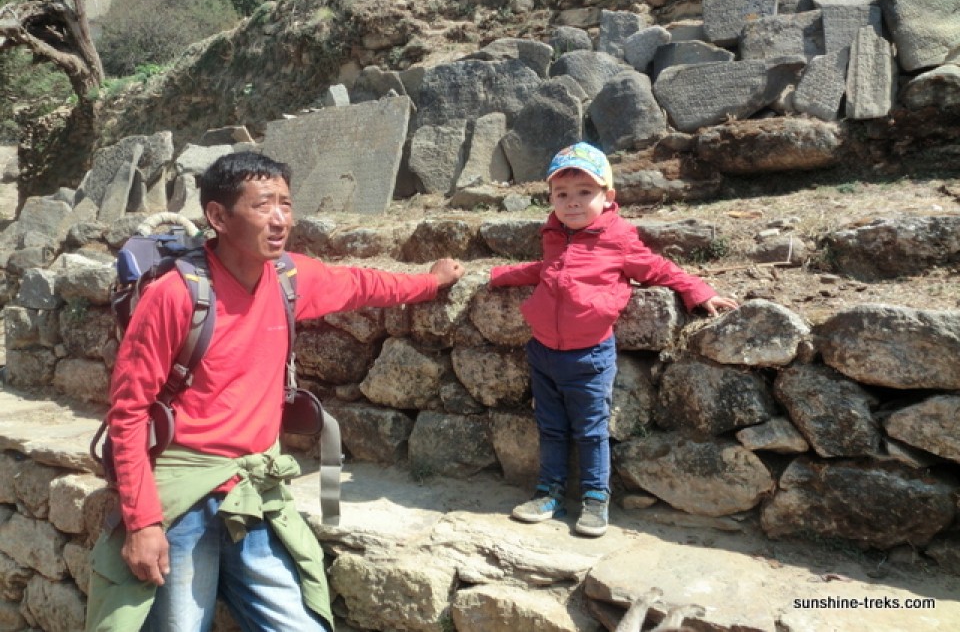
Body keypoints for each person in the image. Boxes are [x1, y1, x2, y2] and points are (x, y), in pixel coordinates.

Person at [85, 151, 465, 631]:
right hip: (180, 496)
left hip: (255, 491)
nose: (281, 218)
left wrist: (431, 281)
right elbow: (129, 412)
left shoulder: (289, 278)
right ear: (218, 217)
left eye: (286, 203)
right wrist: (142, 523)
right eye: (263, 205)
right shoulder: (176, 295)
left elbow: (360, 284)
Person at [488, 142, 737, 537]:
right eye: (562, 194)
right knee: (550, 426)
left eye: (584, 193)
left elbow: (657, 268)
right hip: (543, 352)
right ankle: (548, 492)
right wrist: (503, 274)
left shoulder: (617, 240)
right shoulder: (555, 235)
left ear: (608, 198)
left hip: (588, 355)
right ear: (550, 199)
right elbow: (549, 270)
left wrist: (698, 291)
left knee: (590, 430)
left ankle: (594, 498)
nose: (572, 203)